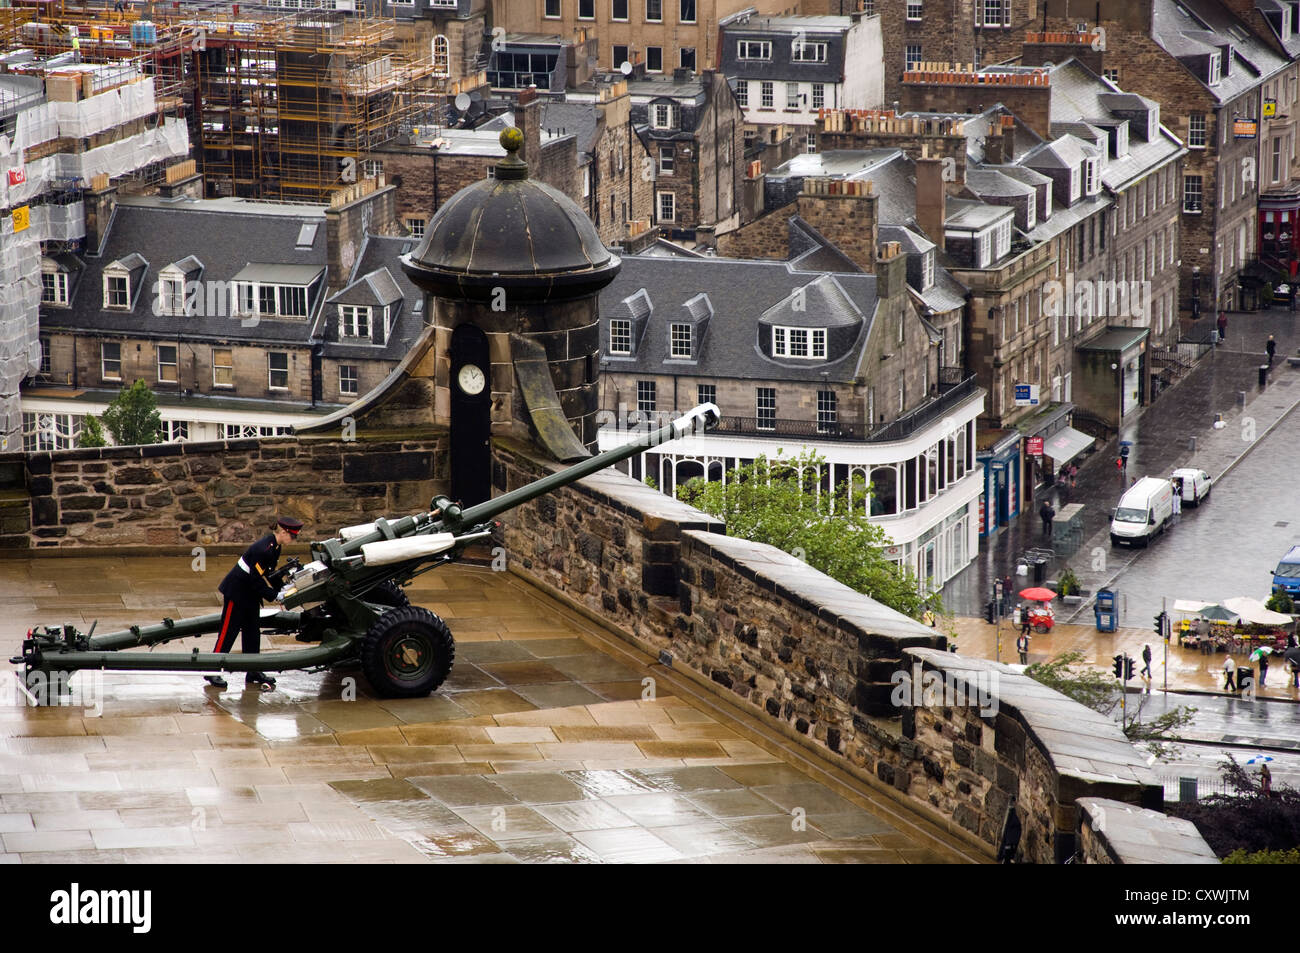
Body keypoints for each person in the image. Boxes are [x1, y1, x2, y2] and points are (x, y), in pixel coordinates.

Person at [204, 516, 303, 691]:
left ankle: (253, 670)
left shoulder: (275, 547)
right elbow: (256, 580)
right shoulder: (263, 549)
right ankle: (212, 670)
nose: (294, 540)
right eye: (293, 536)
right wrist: (275, 595)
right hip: (238, 592)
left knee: (252, 632)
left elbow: (270, 574)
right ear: (283, 532)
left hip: (250, 594)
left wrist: (284, 589)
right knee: (229, 631)